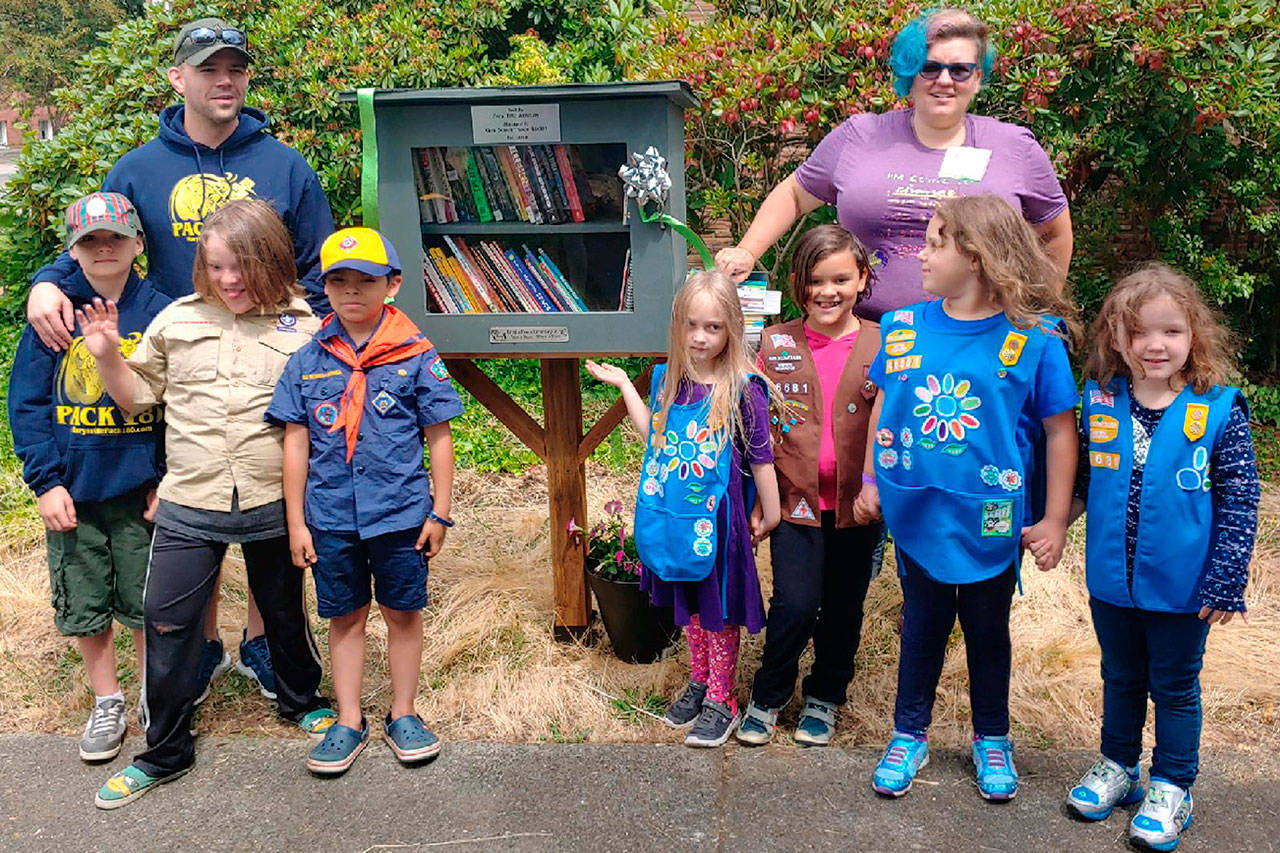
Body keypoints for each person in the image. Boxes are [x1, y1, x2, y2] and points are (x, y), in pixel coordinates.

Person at [25, 17, 337, 699]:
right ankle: (197, 646)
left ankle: (263, 641)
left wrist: (302, 339)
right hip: (171, 370)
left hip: (263, 370)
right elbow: (98, 240)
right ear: (178, 79)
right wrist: (45, 281)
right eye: (208, 70)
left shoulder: (284, 166)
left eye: (236, 70)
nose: (224, 82)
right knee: (180, 513)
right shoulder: (139, 168)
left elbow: (319, 267)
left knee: (264, 501)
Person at [78, 199, 335, 810]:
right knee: (167, 623)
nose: (229, 279)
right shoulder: (178, 320)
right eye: (217, 266)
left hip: (275, 501)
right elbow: (138, 397)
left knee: (283, 611)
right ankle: (164, 751)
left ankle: (302, 700)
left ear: (271, 260)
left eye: (242, 266)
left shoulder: (303, 325)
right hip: (192, 500)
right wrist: (108, 354)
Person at [853, 194, 1079, 800]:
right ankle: (909, 733)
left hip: (993, 517)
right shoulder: (902, 327)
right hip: (918, 507)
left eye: (934, 243)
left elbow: (1060, 431)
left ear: (976, 257)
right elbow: (882, 405)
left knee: (986, 629)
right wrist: (872, 481)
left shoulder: (1034, 340)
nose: (919, 254)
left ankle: (993, 737)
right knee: (922, 624)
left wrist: (1055, 519)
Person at [1064, 263, 1259, 851]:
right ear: (1116, 339)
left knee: (1175, 687)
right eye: (1139, 332)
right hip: (1111, 585)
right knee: (1120, 677)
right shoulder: (1099, 402)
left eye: (1171, 331)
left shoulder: (1220, 408)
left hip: (1184, 588)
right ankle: (1118, 766)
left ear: (1193, 335)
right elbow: (1077, 485)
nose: (1156, 345)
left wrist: (1227, 578)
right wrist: (1047, 526)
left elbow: (1241, 497)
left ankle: (1173, 783)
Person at [715, 7, 1072, 313]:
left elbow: (1054, 230)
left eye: (960, 70)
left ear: (977, 79)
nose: (944, 81)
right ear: (909, 74)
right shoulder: (861, 136)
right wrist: (747, 251)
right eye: (929, 68)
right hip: (868, 343)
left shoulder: (1013, 147)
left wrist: (1041, 312)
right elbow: (794, 194)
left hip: (979, 345)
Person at [266, 227, 463, 774]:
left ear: (392, 284)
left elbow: (439, 437)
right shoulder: (307, 361)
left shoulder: (417, 354)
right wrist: (296, 524)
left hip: (400, 514)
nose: (352, 292)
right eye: (339, 281)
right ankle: (349, 719)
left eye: (366, 281)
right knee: (345, 617)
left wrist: (440, 511)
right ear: (323, 288)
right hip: (330, 518)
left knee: (403, 612)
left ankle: (404, 713)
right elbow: (295, 444)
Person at [586, 270, 781, 747]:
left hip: (720, 524)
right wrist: (625, 388)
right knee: (691, 607)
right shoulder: (669, 381)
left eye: (713, 327)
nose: (700, 336)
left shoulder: (743, 388)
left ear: (732, 327)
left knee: (718, 609)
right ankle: (699, 680)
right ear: (678, 324)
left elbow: (761, 458)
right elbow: (653, 435)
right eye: (692, 324)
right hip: (675, 518)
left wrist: (770, 513)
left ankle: (722, 698)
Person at [7, 192, 170, 762]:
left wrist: (166, 476)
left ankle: (157, 690)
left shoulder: (159, 313)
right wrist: (45, 482)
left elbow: (181, 402)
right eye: (90, 241)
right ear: (72, 251)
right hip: (73, 491)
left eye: (115, 238)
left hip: (139, 488)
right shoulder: (54, 316)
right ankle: (107, 699)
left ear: (137, 244)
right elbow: (26, 402)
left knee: (148, 598)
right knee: (84, 599)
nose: (104, 249)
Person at [734, 225, 882, 747]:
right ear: (799, 285)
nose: (828, 291)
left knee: (844, 605)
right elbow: (751, 425)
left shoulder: (884, 343)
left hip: (856, 508)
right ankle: (769, 694)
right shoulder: (774, 345)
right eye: (815, 280)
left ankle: (825, 696)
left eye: (841, 278)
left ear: (862, 279)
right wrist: (755, 499)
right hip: (793, 503)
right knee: (795, 604)